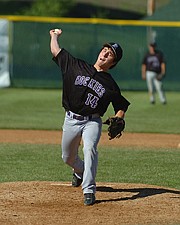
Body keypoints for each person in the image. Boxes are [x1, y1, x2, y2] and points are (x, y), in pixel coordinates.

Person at [49, 28, 130, 206]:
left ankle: (89, 191)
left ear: (113, 62)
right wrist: (54, 35)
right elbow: (56, 51)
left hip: (92, 122)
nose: (106, 53)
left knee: (90, 148)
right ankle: (80, 172)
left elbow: (121, 104)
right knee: (67, 158)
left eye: (110, 54)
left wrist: (119, 117)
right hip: (70, 119)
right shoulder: (76, 65)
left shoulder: (110, 85)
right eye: (105, 49)